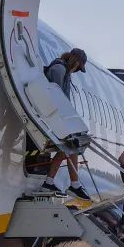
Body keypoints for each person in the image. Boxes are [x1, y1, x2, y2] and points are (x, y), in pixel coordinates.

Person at [38, 48, 92, 200]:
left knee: (67, 148)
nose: (76, 71)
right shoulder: (59, 70)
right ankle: (74, 185)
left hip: (58, 117)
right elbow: (55, 97)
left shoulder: (63, 71)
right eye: (78, 68)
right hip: (53, 117)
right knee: (73, 145)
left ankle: (49, 182)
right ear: (75, 62)